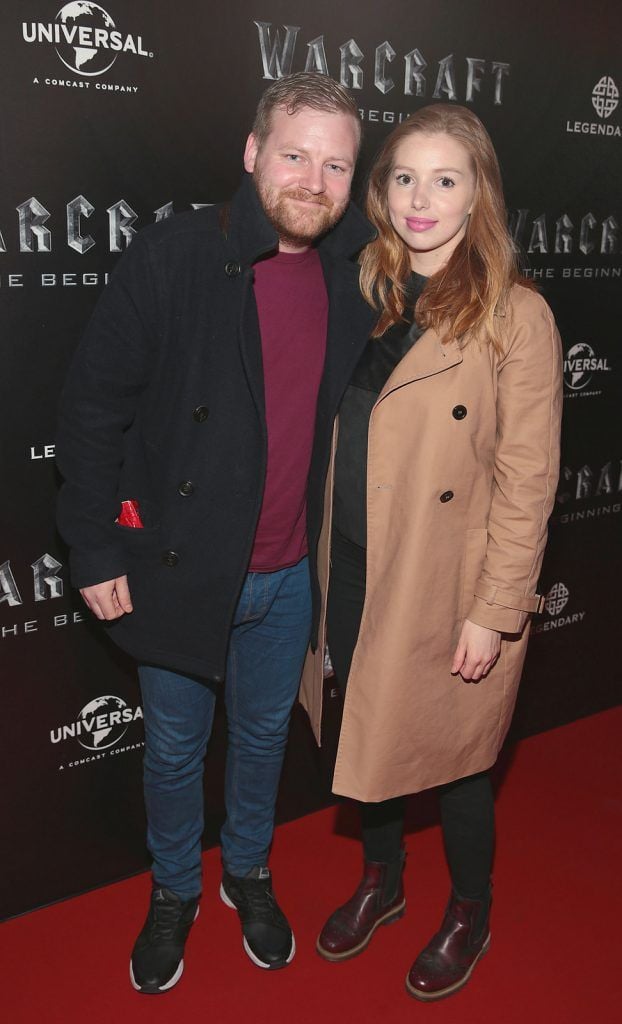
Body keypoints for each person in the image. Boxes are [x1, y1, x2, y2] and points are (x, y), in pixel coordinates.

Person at [56, 72, 376, 994]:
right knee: (172, 750)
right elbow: (91, 411)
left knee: (268, 737)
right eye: (293, 155)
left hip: (288, 575)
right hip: (181, 566)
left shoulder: (359, 270)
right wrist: (96, 542)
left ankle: (249, 871)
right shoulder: (176, 255)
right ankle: (172, 891)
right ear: (250, 153)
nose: (312, 181)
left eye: (335, 165)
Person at [299, 103, 562, 1000]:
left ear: (477, 191)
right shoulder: (364, 290)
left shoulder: (515, 317)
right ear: (381, 189)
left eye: (445, 179)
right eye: (403, 176)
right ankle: (382, 880)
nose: (421, 198)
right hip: (354, 563)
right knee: (366, 738)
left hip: (446, 582)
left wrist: (495, 612)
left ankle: (469, 912)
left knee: (456, 767)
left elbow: (529, 483)